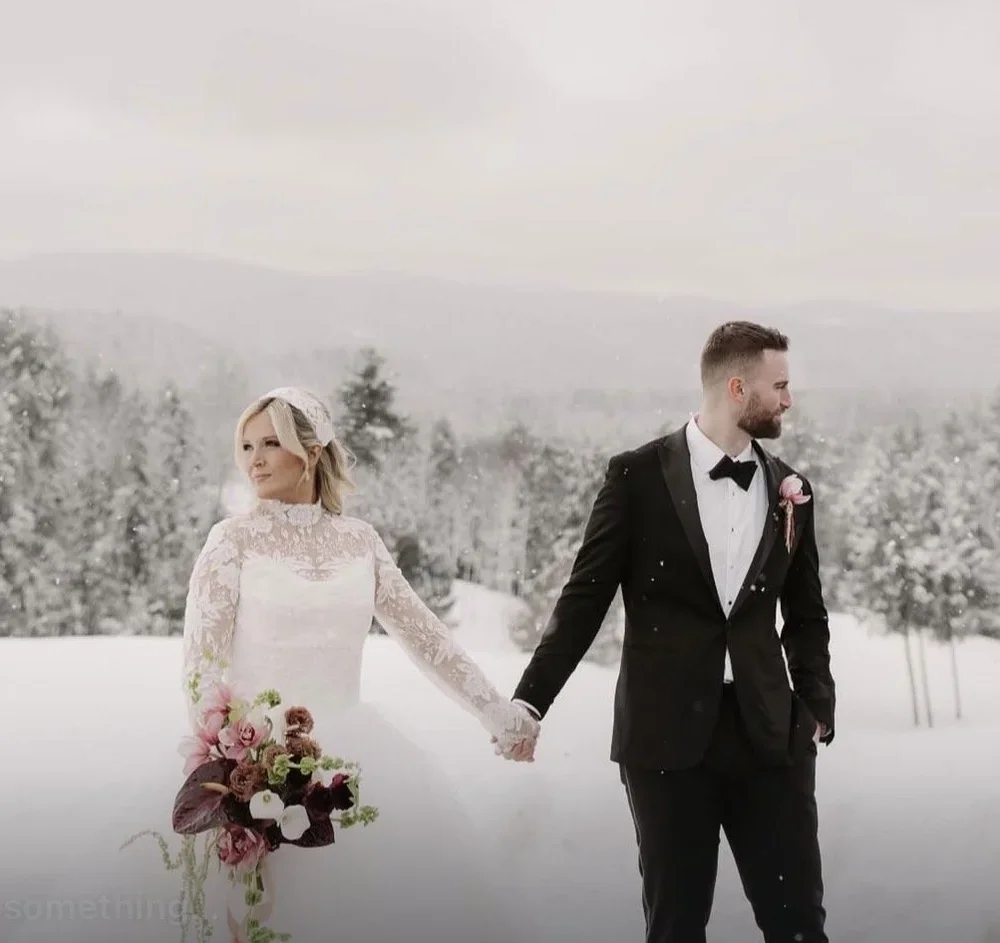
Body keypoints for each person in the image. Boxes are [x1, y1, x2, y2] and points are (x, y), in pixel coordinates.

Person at [9, 387, 539, 943]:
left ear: (310, 452)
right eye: (245, 445)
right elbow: (201, 670)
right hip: (248, 769)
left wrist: (495, 712)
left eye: (270, 443)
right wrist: (236, 773)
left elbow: (428, 638)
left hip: (349, 768)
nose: (253, 459)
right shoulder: (231, 542)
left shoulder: (361, 542)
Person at [510, 322, 835, 943]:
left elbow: (807, 611)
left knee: (799, 928)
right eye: (781, 385)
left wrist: (816, 705)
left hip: (771, 737)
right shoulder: (635, 478)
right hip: (666, 743)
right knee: (677, 926)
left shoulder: (793, 490)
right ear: (738, 388)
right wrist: (531, 699)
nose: (790, 400)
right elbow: (585, 598)